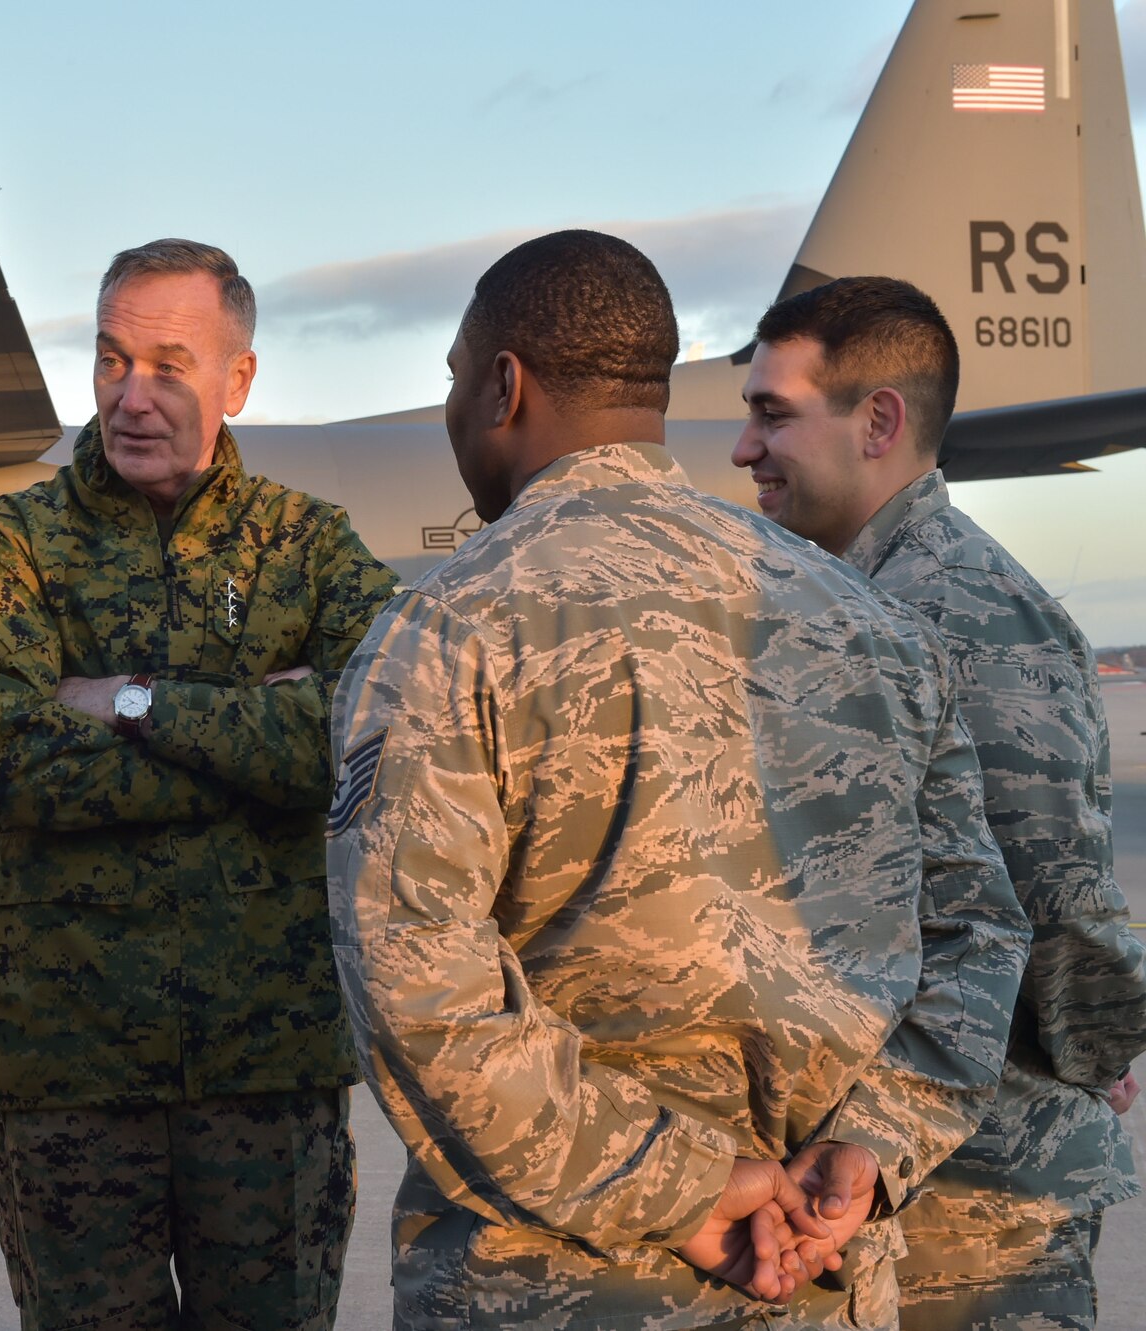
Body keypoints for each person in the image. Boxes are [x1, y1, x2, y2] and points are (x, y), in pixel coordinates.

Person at [327, 230, 1031, 1330]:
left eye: (454, 381)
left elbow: (417, 986)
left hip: (558, 1286)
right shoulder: (874, 622)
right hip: (814, 1272)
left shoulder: (452, 624)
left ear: (501, 385)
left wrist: (682, 1185)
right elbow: (979, 931)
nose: (451, 408)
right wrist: (864, 1151)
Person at [0, 238, 399, 1331]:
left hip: (265, 1066)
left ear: (236, 380)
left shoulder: (308, 545)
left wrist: (131, 702)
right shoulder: (20, 541)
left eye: (168, 366)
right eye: (109, 360)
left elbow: (365, 735)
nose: (130, 398)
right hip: (68, 1068)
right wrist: (253, 745)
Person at [733, 274, 1146, 1330]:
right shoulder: (848, 599)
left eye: (772, 414)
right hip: (880, 1184)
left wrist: (1081, 1046)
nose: (744, 450)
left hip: (982, 1206)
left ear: (877, 420)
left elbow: (1050, 896)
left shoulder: (968, 614)